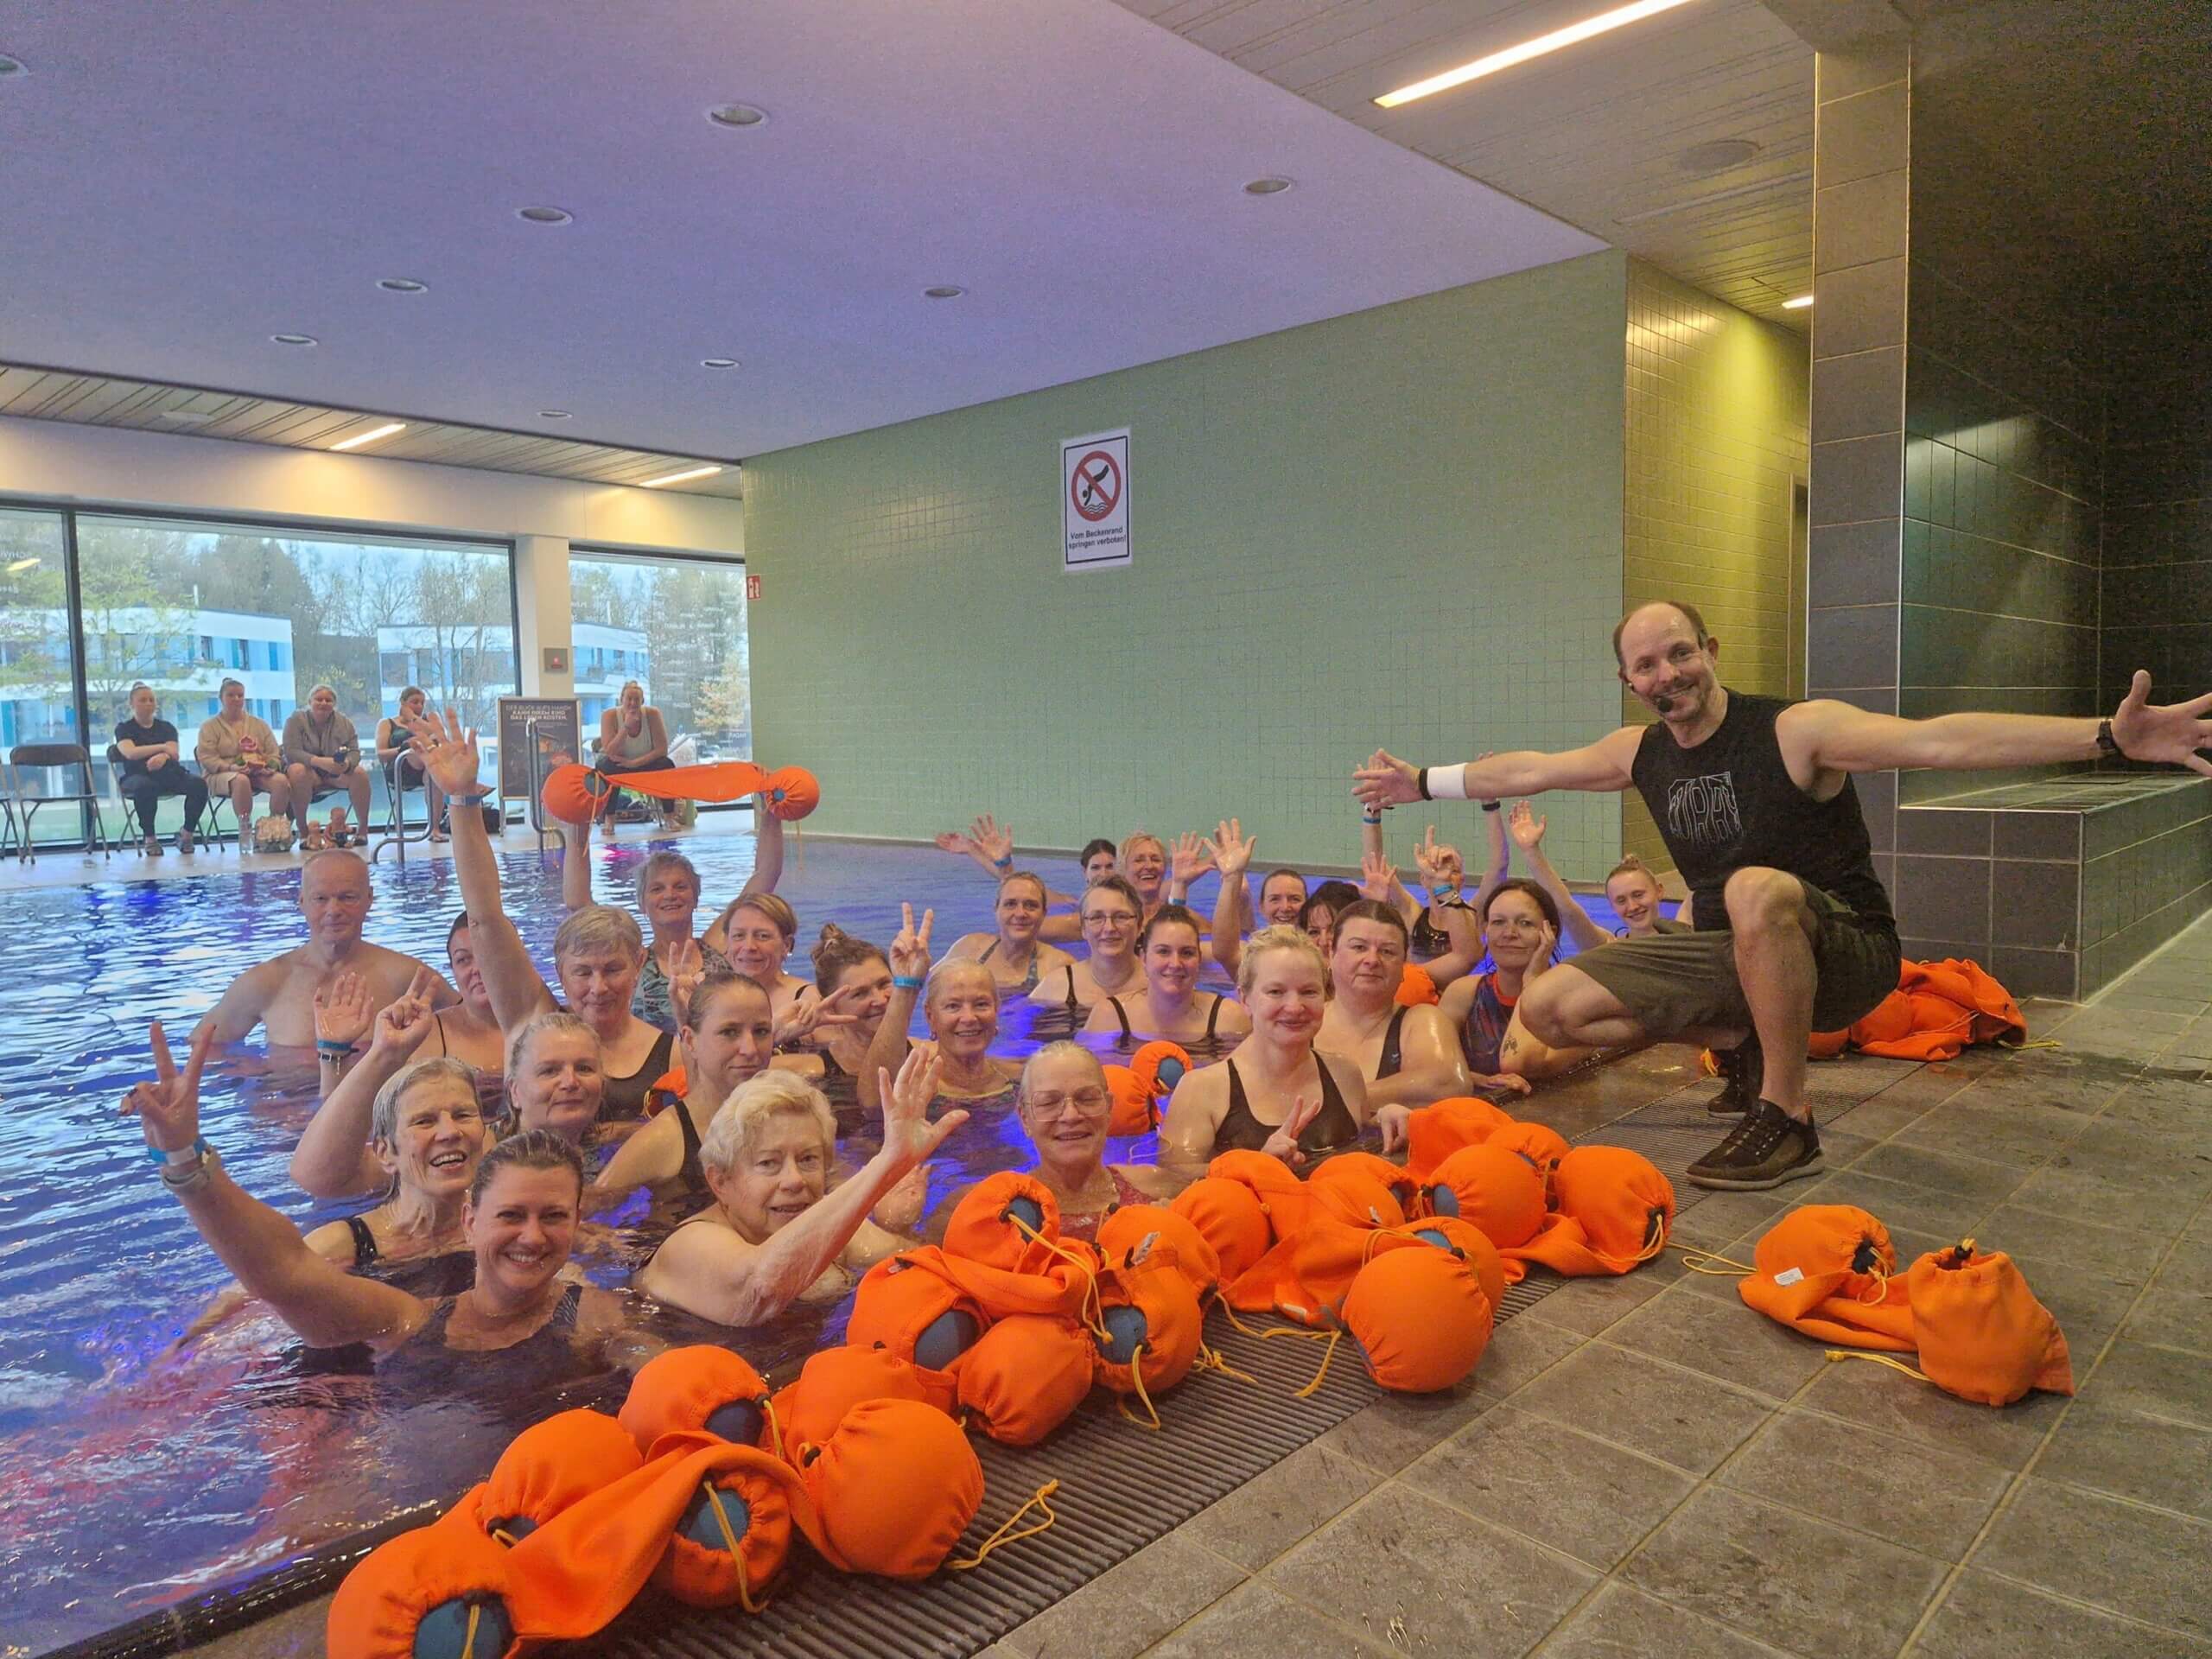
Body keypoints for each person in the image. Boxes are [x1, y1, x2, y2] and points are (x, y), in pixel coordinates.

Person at [1356, 598, 2212, 1188]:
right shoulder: (1638, 750)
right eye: (1646, 665)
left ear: (1710, 653)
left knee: (1754, 891)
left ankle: (1788, 1115)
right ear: (1632, 683)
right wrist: (1424, 781)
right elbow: (1531, 768)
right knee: (1548, 1010)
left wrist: (2103, 736)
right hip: (1739, 949)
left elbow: (1938, 742)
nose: (1668, 674)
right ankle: (1742, 1041)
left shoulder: (1795, 731)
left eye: (1680, 652)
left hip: (1844, 950)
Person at [127, 1021, 629, 1363]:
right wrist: (178, 1361)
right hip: (344, 1369)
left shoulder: (529, 1230)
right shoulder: (347, 1244)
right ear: (385, 1152)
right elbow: (263, 1286)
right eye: (426, 1121)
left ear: (487, 1131)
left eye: (463, 1115)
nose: (450, 1131)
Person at [406, 711, 672, 1123]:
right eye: (583, 972)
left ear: (639, 964)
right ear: (560, 972)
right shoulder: (531, 1020)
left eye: (612, 969)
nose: (598, 988)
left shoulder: (672, 1050)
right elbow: (485, 918)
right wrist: (462, 801)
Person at [632, 1052, 957, 1326]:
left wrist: (897, 1223)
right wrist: (883, 1169)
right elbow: (760, 1289)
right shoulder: (688, 1244)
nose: (794, 1180)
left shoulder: (825, 1225)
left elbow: (922, 1264)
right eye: (768, 1164)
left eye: (807, 1159)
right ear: (720, 1182)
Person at [1160, 926, 1404, 1169]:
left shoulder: (1345, 1075)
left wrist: (1384, 1124)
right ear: (1245, 1000)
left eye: (1309, 992)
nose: (1294, 1007)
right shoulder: (1201, 1090)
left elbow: (1359, 1154)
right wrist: (1256, 1167)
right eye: (1276, 992)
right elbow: (1172, 1179)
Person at [193, 849, 454, 1049]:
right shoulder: (266, 982)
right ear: (302, 902)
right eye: (321, 899)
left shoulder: (406, 976)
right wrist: (257, 1075)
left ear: (369, 900)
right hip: (291, 1111)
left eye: (347, 897)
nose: (334, 911)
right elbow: (203, 1049)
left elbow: (478, 1024)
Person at [588, 969, 777, 1212]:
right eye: (729, 1032)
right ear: (690, 1041)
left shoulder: (790, 1119)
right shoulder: (664, 1140)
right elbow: (582, 1217)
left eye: (761, 1031)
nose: (750, 1049)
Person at [1000, 1042, 1180, 1242]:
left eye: (1087, 1099)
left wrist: (1174, 1230)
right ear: (1025, 1119)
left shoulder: (1157, 1188)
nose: (1071, 1116)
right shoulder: (1001, 1209)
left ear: (1109, 1109)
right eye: (1049, 1103)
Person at [309, 921, 506, 1103]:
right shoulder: (428, 1038)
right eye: (463, 960)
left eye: (488, 953)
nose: (477, 968)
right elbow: (354, 1118)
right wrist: (333, 1051)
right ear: (453, 970)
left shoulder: (536, 1020)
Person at [860, 905, 1023, 1114]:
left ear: (996, 1010)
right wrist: (905, 985)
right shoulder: (915, 1086)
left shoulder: (1015, 1078)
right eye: (953, 1006)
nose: (969, 1017)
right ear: (930, 1017)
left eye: (981, 1004)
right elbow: (873, 1103)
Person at [1315, 899, 1471, 1108]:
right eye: (1359, 947)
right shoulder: (1302, 1019)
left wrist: (1330, 1103)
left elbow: (1449, 1082)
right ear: (1332, 955)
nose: (1372, 960)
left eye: (1387, 951)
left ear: (1403, 966)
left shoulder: (1420, 1020)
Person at [1435, 879, 1588, 1090]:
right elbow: (1433, 1068)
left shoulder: (1575, 1001)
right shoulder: (1463, 994)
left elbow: (1525, 1064)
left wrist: (1532, 982)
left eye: (1525, 923)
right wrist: (1482, 1080)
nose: (1509, 933)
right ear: (1485, 929)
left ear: (1549, 932)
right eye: (1498, 922)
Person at [1508, 800, 1684, 950]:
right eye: (1621, 900)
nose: (1632, 906)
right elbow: (1567, 909)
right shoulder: (1608, 947)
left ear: (1659, 891)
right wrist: (1531, 851)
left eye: (1638, 895)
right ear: (1612, 905)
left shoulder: (1686, 938)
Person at [1083, 903, 1249, 1050]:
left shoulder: (1227, 1018)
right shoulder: (1110, 1016)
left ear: (1199, 959)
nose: (1175, 963)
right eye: (1163, 951)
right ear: (1144, 958)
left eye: (1187, 953)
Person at [1028, 874, 1147, 1018]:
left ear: (1139, 925)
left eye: (1121, 916)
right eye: (1097, 917)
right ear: (1083, 929)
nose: (1109, 928)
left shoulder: (1157, 985)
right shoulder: (1057, 987)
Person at [702, 882, 815, 1029]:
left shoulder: (806, 1001)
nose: (749, 947)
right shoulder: (711, 998)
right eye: (738, 936)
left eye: (762, 936)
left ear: (786, 945)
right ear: (726, 943)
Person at [112, 683, 206, 854]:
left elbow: (174, 753)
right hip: (137, 774)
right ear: (132, 704)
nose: (148, 703)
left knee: (198, 784)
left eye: (151, 700)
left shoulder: (167, 727)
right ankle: (150, 838)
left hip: (168, 773)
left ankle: (186, 833)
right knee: (145, 787)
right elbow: (131, 753)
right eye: (143, 700)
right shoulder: (124, 728)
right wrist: (162, 748)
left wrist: (163, 756)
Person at [946, 870, 1073, 995]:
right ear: (996, 910)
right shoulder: (969, 949)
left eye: (1031, 905)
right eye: (1010, 904)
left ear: (1043, 914)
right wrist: (924, 971)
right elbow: (933, 988)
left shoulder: (1059, 966)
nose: (1020, 914)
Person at [195, 677, 292, 830]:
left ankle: (273, 830)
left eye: (240, 695)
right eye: (231, 695)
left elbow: (274, 752)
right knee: (241, 780)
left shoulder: (259, 724)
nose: (236, 699)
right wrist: (232, 767)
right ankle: (245, 830)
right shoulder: (209, 727)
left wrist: (271, 766)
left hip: (258, 771)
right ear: (221, 698)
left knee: (280, 781)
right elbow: (207, 758)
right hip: (223, 774)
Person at [282, 683, 371, 845]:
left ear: (334, 704)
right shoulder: (295, 720)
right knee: (297, 771)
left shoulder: (345, 723)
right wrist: (319, 762)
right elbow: (291, 751)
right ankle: (303, 831)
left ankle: (362, 832)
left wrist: (346, 764)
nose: (323, 703)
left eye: (328, 700)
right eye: (319, 699)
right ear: (310, 701)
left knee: (360, 774)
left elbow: (354, 751)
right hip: (309, 772)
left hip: (335, 772)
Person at [594, 681, 675, 830]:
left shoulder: (652, 714)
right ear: (621, 700)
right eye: (629, 699)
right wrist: (626, 727)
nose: (632, 703)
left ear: (642, 701)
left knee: (667, 764)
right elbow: (610, 751)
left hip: (644, 763)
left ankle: (669, 816)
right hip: (619, 765)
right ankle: (609, 818)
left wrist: (634, 763)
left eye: (636, 700)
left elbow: (662, 750)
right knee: (604, 767)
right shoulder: (609, 715)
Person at [375, 686, 447, 843]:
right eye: (414, 702)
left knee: (433, 773)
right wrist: (403, 748)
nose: (419, 706)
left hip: (429, 769)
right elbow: (381, 754)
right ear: (403, 703)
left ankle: (434, 828)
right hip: (400, 768)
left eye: (422, 703)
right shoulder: (387, 723)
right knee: (417, 748)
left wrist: (415, 720)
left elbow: (442, 739)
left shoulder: (429, 720)